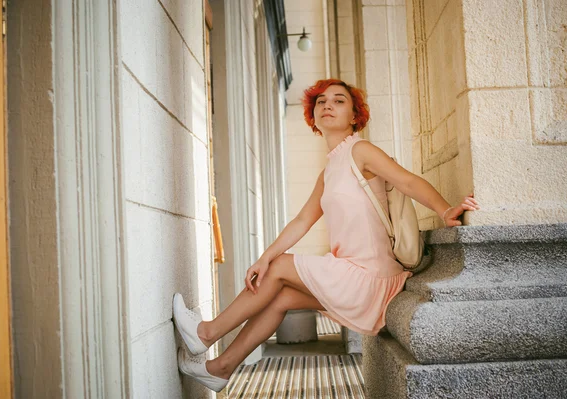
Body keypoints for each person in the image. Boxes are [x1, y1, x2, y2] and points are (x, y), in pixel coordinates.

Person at [172, 78, 479, 392]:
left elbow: (408, 182)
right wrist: (263, 258)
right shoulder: (329, 169)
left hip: (370, 279)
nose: (328, 105)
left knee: (279, 268)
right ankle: (220, 368)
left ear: (354, 116)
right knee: (281, 297)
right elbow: (302, 220)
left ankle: (206, 334)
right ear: (313, 115)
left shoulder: (361, 151)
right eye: (321, 101)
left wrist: (444, 211)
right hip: (353, 276)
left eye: (339, 100)